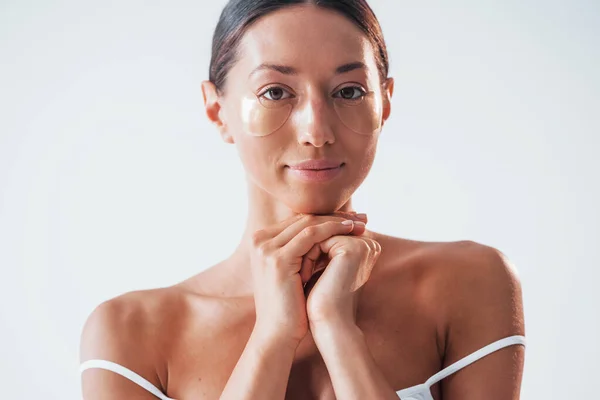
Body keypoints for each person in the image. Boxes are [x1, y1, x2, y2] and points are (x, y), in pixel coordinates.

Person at [79, 1, 526, 399]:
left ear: (384, 103)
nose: (317, 131)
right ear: (217, 110)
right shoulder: (129, 335)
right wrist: (271, 338)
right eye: (275, 92)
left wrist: (337, 331)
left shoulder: (469, 284)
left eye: (349, 91)